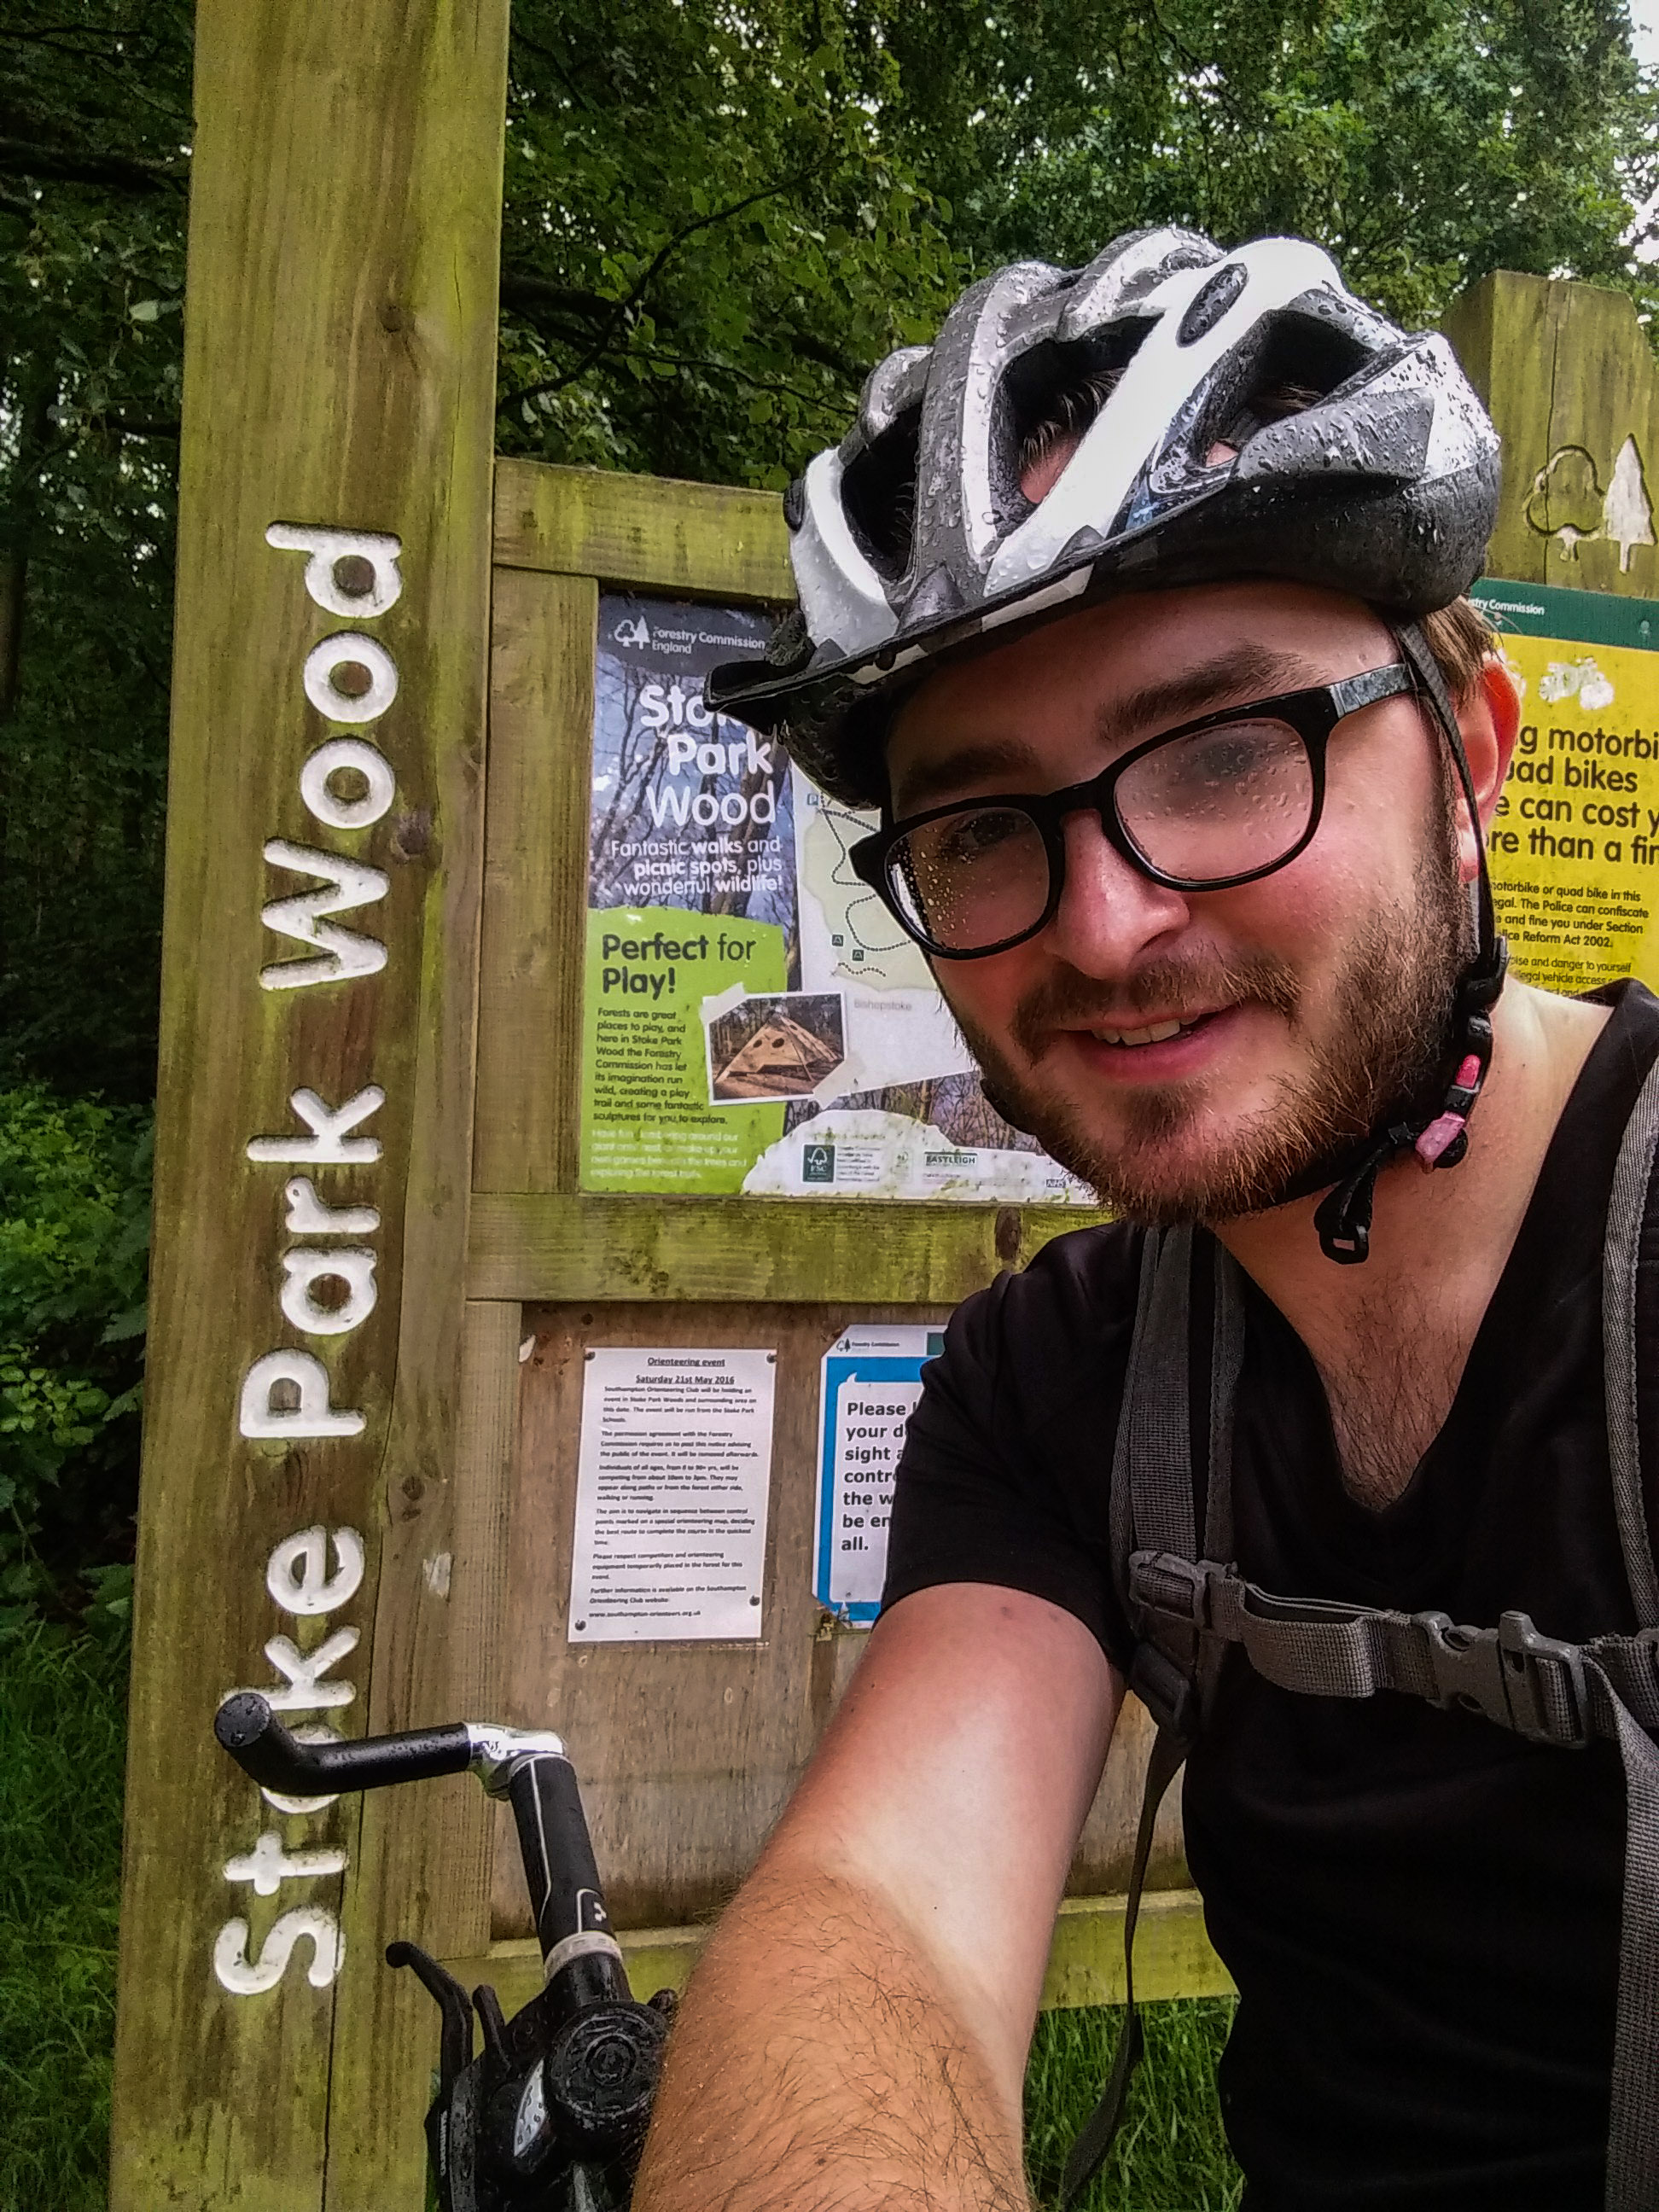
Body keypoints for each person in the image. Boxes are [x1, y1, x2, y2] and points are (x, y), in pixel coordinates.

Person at [630, 228, 1659, 2212]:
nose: (1109, 927)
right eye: (987, 824)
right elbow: (877, 1923)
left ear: (1474, 766)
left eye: (1219, 756)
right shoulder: (1063, 1379)